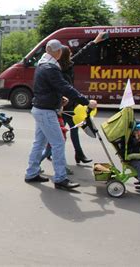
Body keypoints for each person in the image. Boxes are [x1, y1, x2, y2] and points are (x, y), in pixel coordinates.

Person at [24, 39, 97, 190]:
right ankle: (60, 178)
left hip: (39, 108)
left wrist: (59, 99)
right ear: (56, 52)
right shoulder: (51, 67)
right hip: (46, 111)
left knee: (39, 143)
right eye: (60, 51)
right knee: (58, 144)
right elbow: (65, 86)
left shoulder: (42, 64)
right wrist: (86, 102)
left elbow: (46, 87)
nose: (60, 53)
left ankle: (31, 173)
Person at [62, 32, 108, 164]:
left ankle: (79, 154)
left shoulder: (69, 64)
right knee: (60, 134)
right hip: (61, 105)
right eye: (69, 53)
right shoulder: (58, 69)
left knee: (73, 129)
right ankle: (47, 153)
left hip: (70, 105)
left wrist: (95, 41)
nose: (72, 55)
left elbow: (82, 52)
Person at [126, 123, 140, 188]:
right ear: (135, 131)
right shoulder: (132, 139)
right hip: (132, 159)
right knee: (139, 166)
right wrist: (136, 139)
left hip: (138, 158)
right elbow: (133, 145)